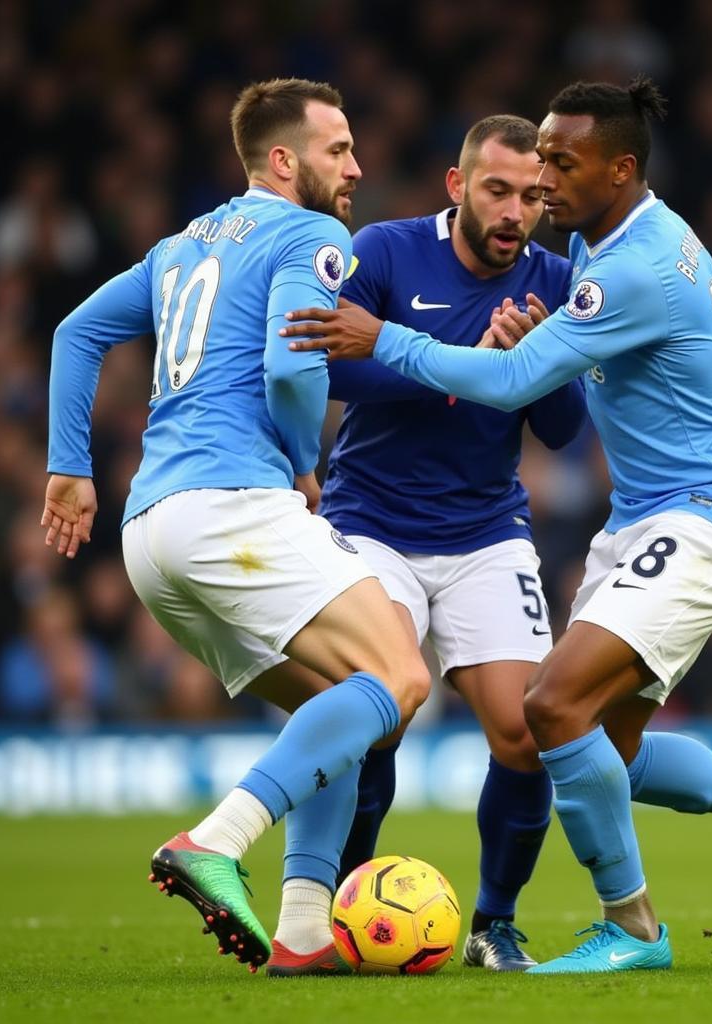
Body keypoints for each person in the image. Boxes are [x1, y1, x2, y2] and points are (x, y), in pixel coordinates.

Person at [280, 77, 712, 973]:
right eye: (521, 174)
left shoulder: (621, 269)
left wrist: (397, 341)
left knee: (548, 711)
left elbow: (532, 402)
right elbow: (329, 362)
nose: (541, 187)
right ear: (456, 185)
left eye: (559, 165)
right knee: (596, 753)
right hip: (615, 520)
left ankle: (628, 930)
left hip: (706, 515)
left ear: (620, 169)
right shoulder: (587, 246)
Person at [41, 78, 430, 973]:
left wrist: (70, 466)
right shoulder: (310, 234)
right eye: (339, 149)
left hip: (150, 533)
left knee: (343, 712)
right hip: (232, 506)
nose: (357, 167)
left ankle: (299, 934)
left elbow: (75, 332)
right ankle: (216, 839)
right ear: (284, 159)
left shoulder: (181, 246)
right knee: (400, 672)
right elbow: (294, 361)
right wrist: (303, 462)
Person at [266, 115, 586, 976]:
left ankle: (494, 923)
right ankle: (335, 906)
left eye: (532, 195)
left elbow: (561, 430)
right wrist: (458, 356)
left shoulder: (559, 281)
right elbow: (329, 364)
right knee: (378, 717)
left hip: (487, 530)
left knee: (526, 734)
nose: (517, 210)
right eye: (498, 191)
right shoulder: (388, 251)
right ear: (458, 186)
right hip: (371, 521)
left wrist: (534, 363)